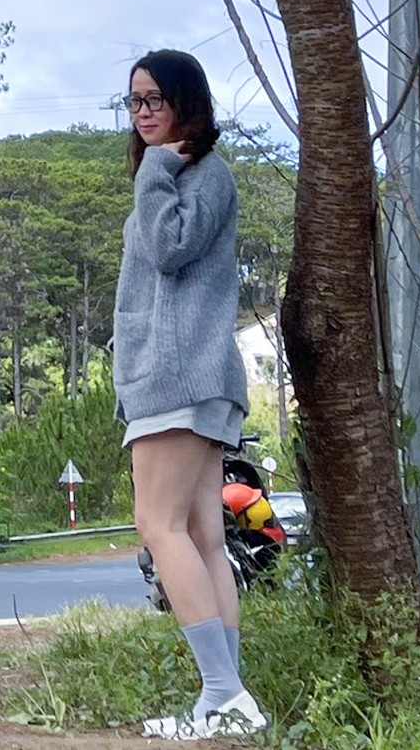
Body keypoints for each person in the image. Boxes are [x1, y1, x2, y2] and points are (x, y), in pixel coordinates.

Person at [114, 48, 265, 740]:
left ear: (185, 103)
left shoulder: (198, 174)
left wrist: (157, 168)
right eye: (134, 102)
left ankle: (224, 691)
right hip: (192, 375)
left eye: (154, 100)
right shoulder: (182, 174)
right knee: (205, 534)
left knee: (159, 525)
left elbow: (170, 250)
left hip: (178, 376)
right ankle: (225, 702)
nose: (143, 114)